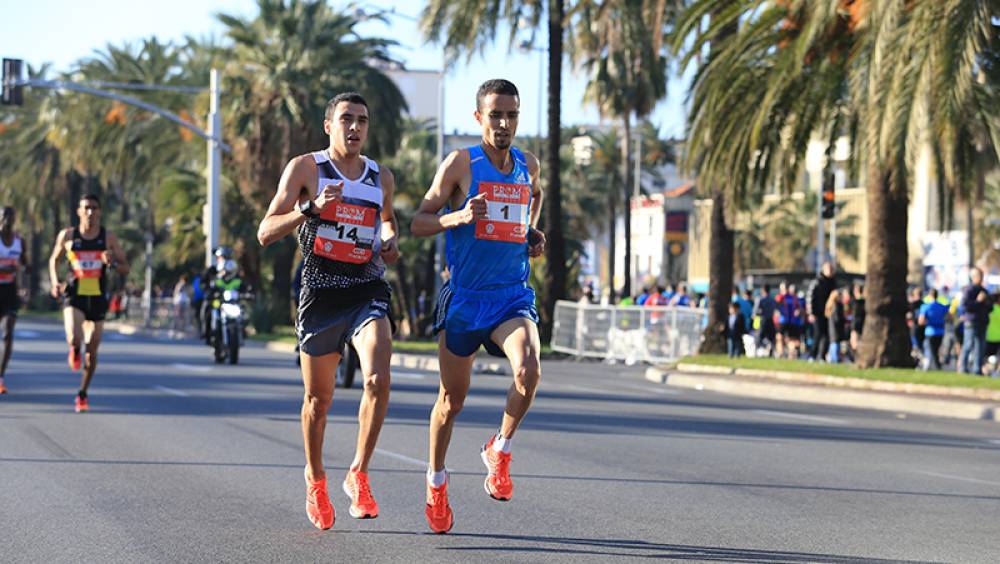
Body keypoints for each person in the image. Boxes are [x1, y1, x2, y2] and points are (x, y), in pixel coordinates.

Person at [257, 91, 400, 530]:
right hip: (320, 291)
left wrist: (390, 240)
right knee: (319, 401)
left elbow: (387, 220)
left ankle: (358, 473)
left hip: (365, 285)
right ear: (328, 125)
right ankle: (316, 479)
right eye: (346, 119)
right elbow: (265, 232)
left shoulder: (380, 176)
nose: (354, 127)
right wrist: (310, 208)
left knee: (377, 374)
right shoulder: (306, 169)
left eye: (362, 120)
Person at [411, 79, 545, 534]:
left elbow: (534, 200)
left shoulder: (528, 164)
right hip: (466, 298)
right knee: (451, 401)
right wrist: (458, 216)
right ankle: (436, 480)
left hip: (511, 295)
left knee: (528, 370)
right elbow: (418, 221)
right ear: (478, 118)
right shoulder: (459, 164)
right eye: (495, 115)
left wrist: (531, 233)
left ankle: (500, 450)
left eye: (511, 115)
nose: (504, 123)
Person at [48, 194, 129, 413]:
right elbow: (53, 260)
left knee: (92, 351)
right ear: (78, 211)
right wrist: (56, 283)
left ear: (100, 211)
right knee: (75, 337)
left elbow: (125, 267)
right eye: (86, 208)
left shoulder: (108, 237)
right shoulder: (68, 235)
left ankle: (82, 393)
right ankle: (74, 348)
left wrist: (112, 263)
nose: (90, 212)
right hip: (75, 294)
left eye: (94, 208)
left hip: (98, 296)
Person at [0, 207, 29, 394]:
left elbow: (26, 265)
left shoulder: (20, 242)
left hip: (10, 292)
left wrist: (25, 287)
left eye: (11, 216)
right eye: (4, 216)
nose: (7, 220)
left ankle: (1, 376)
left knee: (8, 332)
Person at [958, 267, 989, 375]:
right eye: (980, 276)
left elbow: (989, 307)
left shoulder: (984, 290)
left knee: (980, 347)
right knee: (968, 344)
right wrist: (978, 301)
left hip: (982, 321)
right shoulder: (969, 290)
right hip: (972, 322)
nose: (981, 279)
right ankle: (963, 368)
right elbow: (965, 306)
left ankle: (977, 369)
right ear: (974, 277)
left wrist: (986, 303)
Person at [806, 261, 837, 361]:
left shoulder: (832, 283)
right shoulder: (817, 282)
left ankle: (822, 355)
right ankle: (812, 355)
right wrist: (811, 312)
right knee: (817, 333)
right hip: (817, 313)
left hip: (828, 314)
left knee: (826, 335)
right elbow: (810, 297)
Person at [919, 288, 950, 371]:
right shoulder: (942, 307)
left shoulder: (926, 307)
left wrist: (930, 322)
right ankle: (936, 366)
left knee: (932, 351)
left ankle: (936, 367)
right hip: (940, 331)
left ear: (929, 295)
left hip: (930, 331)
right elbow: (949, 317)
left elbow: (921, 321)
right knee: (936, 350)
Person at [753, 284, 777, 356]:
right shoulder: (773, 299)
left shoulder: (760, 299)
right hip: (770, 319)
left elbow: (755, 311)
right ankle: (771, 352)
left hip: (762, 319)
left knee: (759, 336)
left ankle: (756, 352)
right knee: (771, 337)